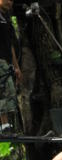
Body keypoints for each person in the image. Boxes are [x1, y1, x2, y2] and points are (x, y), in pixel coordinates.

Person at [0, 0, 21, 133]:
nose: (9, 2)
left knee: (9, 92)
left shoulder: (6, 19)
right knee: (3, 90)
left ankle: (6, 126)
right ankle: (4, 125)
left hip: (6, 61)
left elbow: (10, 45)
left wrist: (16, 66)